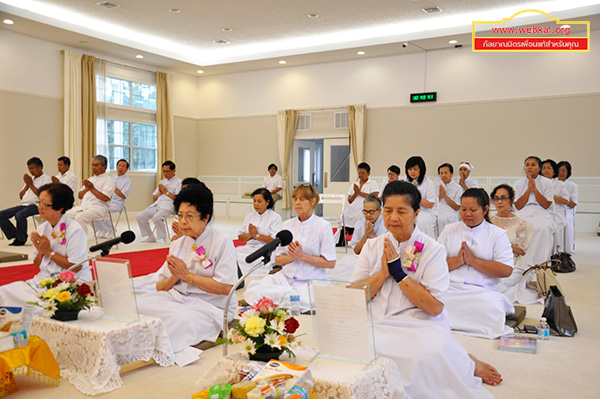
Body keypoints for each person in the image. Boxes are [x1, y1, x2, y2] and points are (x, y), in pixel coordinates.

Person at [351, 181, 498, 399]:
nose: (393, 218)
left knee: (422, 357)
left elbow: (434, 307)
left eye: (401, 211)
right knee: (349, 347)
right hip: (375, 317)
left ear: (417, 213)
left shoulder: (432, 250)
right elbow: (353, 295)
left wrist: (399, 274)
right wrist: (383, 274)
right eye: (388, 211)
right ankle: (459, 355)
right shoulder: (373, 245)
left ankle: (465, 361)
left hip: (417, 321)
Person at [136, 184, 237, 354]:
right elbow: (160, 285)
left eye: (189, 216)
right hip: (177, 298)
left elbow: (226, 288)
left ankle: (154, 351)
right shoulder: (178, 243)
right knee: (138, 305)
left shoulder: (222, 241)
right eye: (179, 215)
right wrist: (175, 278)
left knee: (180, 319)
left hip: (210, 306)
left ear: (205, 217)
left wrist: (187, 276)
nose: (182, 222)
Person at [243, 183, 336, 312]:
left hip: (311, 281)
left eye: (302, 199)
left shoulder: (323, 226)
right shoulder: (287, 225)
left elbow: (330, 263)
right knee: (254, 289)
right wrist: (291, 257)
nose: (297, 202)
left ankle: (279, 300)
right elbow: (278, 259)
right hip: (285, 279)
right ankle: (285, 299)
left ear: (313, 201)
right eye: (295, 199)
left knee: (313, 298)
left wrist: (301, 256)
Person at [437, 188, 514, 339]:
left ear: (485, 209)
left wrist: (473, 261)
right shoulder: (449, 230)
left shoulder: (497, 234)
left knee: (491, 307)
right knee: (431, 301)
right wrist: (458, 261)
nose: (467, 214)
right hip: (450, 288)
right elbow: (434, 264)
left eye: (473, 210)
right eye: (463, 209)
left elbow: (506, 270)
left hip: (482, 291)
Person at [0, 183, 89, 307]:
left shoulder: (74, 230)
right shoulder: (43, 228)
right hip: (44, 280)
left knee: (31, 306)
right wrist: (41, 252)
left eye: (45, 204)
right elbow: (37, 264)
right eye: (39, 202)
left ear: (59, 208)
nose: (40, 207)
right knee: (3, 293)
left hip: (70, 285)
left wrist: (48, 252)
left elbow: (76, 267)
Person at [490, 184, 538, 304]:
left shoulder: (521, 223)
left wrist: (502, 243)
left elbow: (521, 250)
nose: (499, 202)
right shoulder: (488, 221)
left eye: (503, 198)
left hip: (512, 262)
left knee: (497, 286)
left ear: (511, 200)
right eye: (496, 198)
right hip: (490, 261)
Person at [330, 195, 387, 281]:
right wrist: (366, 234)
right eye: (365, 211)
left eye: (371, 212)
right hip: (362, 256)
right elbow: (356, 251)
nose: (368, 215)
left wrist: (372, 235)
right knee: (342, 265)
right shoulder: (359, 224)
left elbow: (385, 249)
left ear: (379, 211)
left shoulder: (386, 225)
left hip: (379, 259)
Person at [0, 157, 52, 246]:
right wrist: (27, 185)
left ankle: (21, 239)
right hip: (24, 205)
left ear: (40, 168)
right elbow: (21, 196)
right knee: (1, 214)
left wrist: (31, 185)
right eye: (29, 169)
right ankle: (16, 235)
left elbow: (42, 196)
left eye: (32, 168)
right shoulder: (30, 179)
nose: (31, 171)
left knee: (19, 215)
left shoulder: (46, 179)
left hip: (36, 206)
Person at [513, 156, 555, 266]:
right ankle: (524, 265)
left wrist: (535, 189)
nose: (529, 167)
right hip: (524, 211)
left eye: (533, 165)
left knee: (543, 229)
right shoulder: (518, 183)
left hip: (540, 211)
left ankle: (541, 263)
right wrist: (528, 189)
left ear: (539, 168)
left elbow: (546, 205)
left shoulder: (547, 182)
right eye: (527, 165)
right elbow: (518, 205)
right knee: (522, 229)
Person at [236, 188, 283, 277]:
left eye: (259, 201)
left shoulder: (275, 217)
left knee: (256, 261)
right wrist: (250, 235)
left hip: (266, 250)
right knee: (233, 255)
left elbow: (275, 240)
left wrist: (257, 236)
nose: (256, 204)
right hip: (248, 247)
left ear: (267, 202)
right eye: (254, 201)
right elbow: (240, 237)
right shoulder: (249, 216)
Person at [66, 155, 115, 236]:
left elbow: (105, 198)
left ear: (104, 167)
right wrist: (87, 188)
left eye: (96, 165)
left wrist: (91, 188)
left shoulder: (108, 180)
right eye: (92, 165)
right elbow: (80, 196)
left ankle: (81, 242)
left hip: (99, 209)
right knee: (66, 214)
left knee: (80, 217)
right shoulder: (91, 179)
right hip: (84, 207)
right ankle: (69, 239)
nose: (93, 168)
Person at [137, 160, 182, 244]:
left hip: (169, 205)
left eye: (167, 171)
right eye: (163, 171)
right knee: (140, 216)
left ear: (174, 171)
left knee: (157, 217)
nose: (165, 174)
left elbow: (178, 198)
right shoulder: (162, 182)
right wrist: (160, 193)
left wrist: (166, 192)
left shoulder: (179, 182)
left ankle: (164, 237)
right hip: (157, 204)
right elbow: (154, 197)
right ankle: (150, 236)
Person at [339, 162, 379, 245]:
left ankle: (360, 238)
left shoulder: (372, 183)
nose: (360, 175)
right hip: (354, 206)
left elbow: (374, 197)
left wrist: (359, 192)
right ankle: (342, 239)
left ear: (368, 174)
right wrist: (355, 193)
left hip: (365, 207)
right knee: (344, 215)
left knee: (359, 216)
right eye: (359, 173)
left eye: (363, 173)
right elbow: (350, 200)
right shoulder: (355, 184)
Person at [92, 158, 132, 238]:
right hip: (105, 200)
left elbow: (124, 195)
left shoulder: (127, 181)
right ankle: (100, 230)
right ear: (116, 167)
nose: (121, 167)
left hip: (117, 203)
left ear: (127, 169)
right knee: (91, 208)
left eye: (123, 166)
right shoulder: (111, 177)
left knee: (102, 210)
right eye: (119, 165)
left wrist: (113, 187)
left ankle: (111, 230)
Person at [541, 159, 569, 252]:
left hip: (556, 213)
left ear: (554, 171)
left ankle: (555, 254)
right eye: (544, 168)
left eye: (549, 168)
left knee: (552, 227)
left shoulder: (560, 184)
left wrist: (550, 196)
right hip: (541, 212)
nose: (546, 170)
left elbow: (566, 200)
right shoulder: (537, 184)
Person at [404, 156, 436, 238]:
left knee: (418, 222)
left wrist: (415, 198)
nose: (412, 172)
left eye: (415, 169)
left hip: (424, 212)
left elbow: (430, 204)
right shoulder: (405, 182)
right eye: (410, 169)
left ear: (421, 169)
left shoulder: (428, 183)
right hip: (407, 211)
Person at [436, 163, 463, 235]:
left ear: (451, 174)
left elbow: (457, 207)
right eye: (441, 173)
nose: (443, 175)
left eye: (446, 173)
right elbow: (433, 203)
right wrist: (439, 195)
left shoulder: (457, 188)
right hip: (438, 214)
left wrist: (444, 195)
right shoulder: (437, 186)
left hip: (450, 216)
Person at [557, 161, 578, 254]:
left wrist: (562, 200)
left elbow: (572, 203)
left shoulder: (572, 186)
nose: (561, 173)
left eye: (563, 170)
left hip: (567, 210)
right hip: (555, 210)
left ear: (568, 172)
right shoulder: (552, 183)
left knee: (567, 221)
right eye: (559, 170)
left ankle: (567, 250)